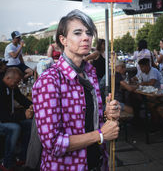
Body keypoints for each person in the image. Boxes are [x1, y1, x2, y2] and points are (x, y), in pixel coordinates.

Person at [32, 10, 120, 171]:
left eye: (89, 32)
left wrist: (107, 113)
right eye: (78, 33)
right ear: (63, 39)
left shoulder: (90, 73)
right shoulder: (49, 81)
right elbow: (53, 144)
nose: (86, 37)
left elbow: (88, 119)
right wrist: (100, 135)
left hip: (97, 162)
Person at [0, 67, 33, 171]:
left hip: (6, 117)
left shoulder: (12, 86)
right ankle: (6, 162)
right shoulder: (1, 88)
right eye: (16, 82)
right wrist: (24, 115)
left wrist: (34, 106)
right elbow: (4, 117)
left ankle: (21, 157)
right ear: (8, 78)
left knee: (29, 124)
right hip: (1, 119)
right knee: (15, 128)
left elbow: (21, 99)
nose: (18, 84)